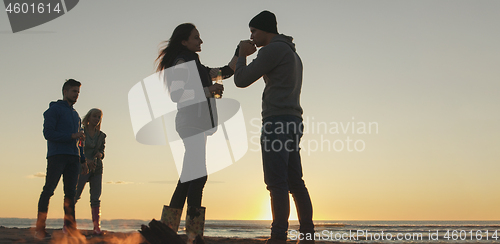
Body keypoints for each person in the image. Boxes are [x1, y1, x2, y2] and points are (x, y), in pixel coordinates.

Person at [234, 11, 315, 244]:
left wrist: (242, 55)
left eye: (253, 31)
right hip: (293, 120)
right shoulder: (291, 52)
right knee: (295, 182)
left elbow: (241, 80)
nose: (252, 36)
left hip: (276, 121)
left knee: (276, 182)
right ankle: (307, 235)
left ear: (265, 30)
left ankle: (278, 236)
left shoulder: (272, 50)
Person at [155, 23, 237, 244]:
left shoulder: (197, 65)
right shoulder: (182, 62)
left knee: (187, 177)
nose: (201, 41)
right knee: (198, 175)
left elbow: (223, 72)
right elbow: (177, 94)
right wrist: (207, 90)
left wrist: (240, 53)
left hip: (197, 124)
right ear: (184, 41)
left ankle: (168, 230)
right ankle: (194, 235)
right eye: (196, 37)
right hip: (190, 123)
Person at [35, 79, 86, 239]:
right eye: (74, 91)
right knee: (48, 190)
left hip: (74, 158)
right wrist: (71, 135)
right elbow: (48, 134)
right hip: (57, 156)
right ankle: (40, 229)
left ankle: (71, 230)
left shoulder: (76, 115)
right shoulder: (53, 110)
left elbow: (79, 140)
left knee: (70, 194)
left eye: (78, 92)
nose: (76, 95)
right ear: (65, 92)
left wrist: (82, 159)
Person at [75, 108, 106, 236]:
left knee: (96, 198)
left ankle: (96, 226)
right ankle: (68, 223)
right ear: (88, 117)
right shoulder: (81, 132)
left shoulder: (101, 135)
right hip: (82, 167)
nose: (96, 119)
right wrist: (86, 160)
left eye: (99, 117)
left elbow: (103, 151)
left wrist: (100, 154)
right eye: (94, 116)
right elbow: (76, 148)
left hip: (97, 168)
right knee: (75, 195)